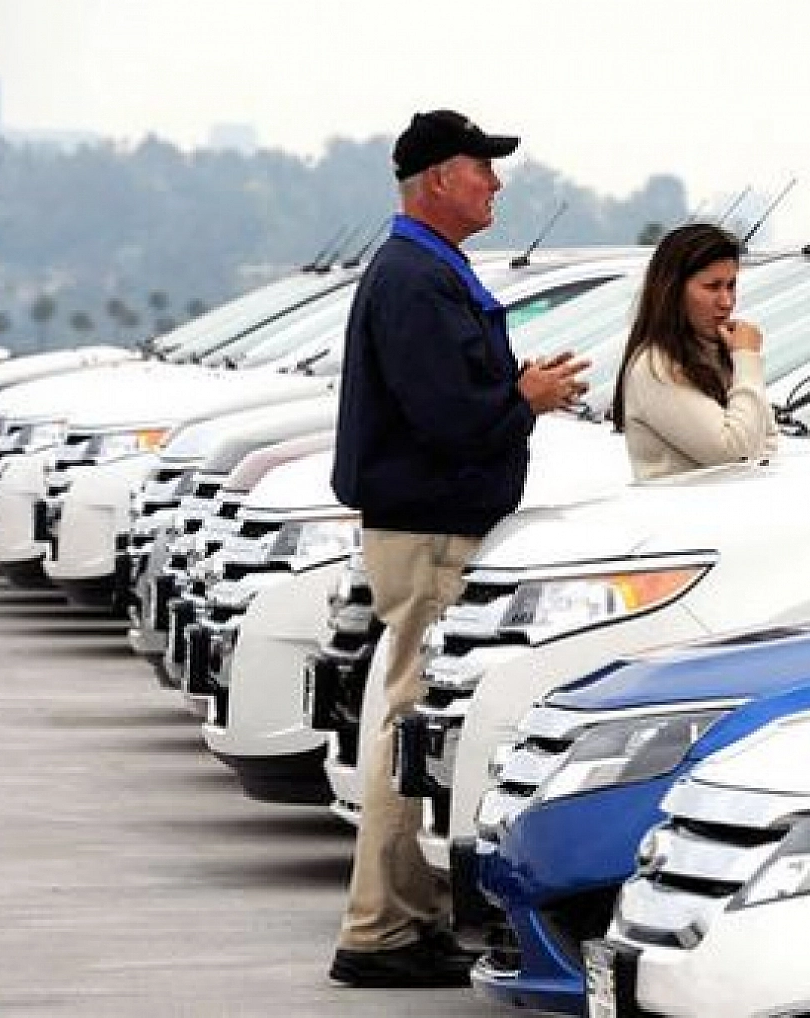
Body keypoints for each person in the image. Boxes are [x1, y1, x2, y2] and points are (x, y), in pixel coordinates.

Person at [327, 109, 588, 989]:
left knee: (410, 725)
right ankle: (383, 932)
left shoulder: (424, 270)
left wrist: (515, 393)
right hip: (429, 531)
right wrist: (527, 398)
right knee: (411, 732)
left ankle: (405, 920)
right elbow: (447, 417)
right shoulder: (414, 278)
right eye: (483, 168)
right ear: (439, 178)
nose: (496, 185)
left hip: (430, 526)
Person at [610, 222, 777, 479]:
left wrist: (739, 360)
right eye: (712, 287)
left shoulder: (717, 351)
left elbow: (766, 442)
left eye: (731, 285)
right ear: (673, 290)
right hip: (682, 515)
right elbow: (737, 453)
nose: (727, 302)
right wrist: (747, 358)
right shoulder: (657, 366)